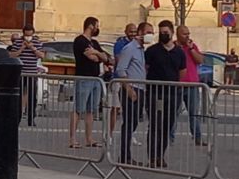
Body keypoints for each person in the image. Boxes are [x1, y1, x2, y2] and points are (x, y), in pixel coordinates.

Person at [145, 20, 186, 167]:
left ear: (171, 32)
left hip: (172, 94)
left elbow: (182, 72)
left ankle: (160, 156)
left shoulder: (179, 52)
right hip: (155, 93)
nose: (163, 35)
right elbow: (146, 68)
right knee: (155, 125)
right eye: (161, 32)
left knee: (167, 126)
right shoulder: (152, 51)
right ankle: (151, 157)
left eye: (166, 33)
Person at [70, 16, 110, 149]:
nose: (98, 28)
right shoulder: (80, 41)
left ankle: (89, 138)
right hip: (84, 78)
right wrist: (97, 56)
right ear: (91, 26)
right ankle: (72, 139)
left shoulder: (95, 43)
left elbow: (105, 58)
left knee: (91, 110)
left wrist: (97, 52)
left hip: (96, 79)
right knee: (78, 109)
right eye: (97, 25)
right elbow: (92, 58)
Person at [115, 22, 152, 165]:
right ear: (140, 33)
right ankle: (124, 155)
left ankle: (127, 155)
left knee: (135, 121)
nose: (151, 35)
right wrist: (128, 89)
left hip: (140, 89)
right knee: (129, 123)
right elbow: (121, 69)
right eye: (148, 32)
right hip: (131, 90)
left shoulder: (142, 50)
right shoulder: (129, 48)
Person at [175, 25, 207, 146]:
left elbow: (200, 60)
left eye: (188, 33)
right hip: (177, 84)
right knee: (174, 113)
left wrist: (191, 49)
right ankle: (170, 138)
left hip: (192, 84)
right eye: (184, 34)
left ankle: (197, 137)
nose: (187, 36)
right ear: (178, 34)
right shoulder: (173, 47)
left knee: (194, 113)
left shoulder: (192, 47)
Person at [9, 24, 45, 125]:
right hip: (20, 74)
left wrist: (33, 48)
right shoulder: (17, 42)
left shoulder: (37, 42)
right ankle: (17, 118)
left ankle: (31, 118)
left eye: (30, 35)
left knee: (32, 97)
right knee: (18, 96)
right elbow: (11, 55)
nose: (28, 37)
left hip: (32, 73)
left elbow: (42, 55)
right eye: (26, 35)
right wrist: (21, 49)